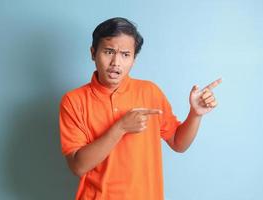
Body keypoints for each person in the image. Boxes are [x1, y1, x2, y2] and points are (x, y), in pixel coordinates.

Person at [59, 17, 222, 200]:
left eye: (125, 55)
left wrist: (195, 114)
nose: (116, 62)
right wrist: (120, 127)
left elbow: (178, 142)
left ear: (134, 59)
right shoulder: (73, 101)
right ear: (93, 53)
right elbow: (78, 166)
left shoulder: (149, 92)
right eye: (108, 51)